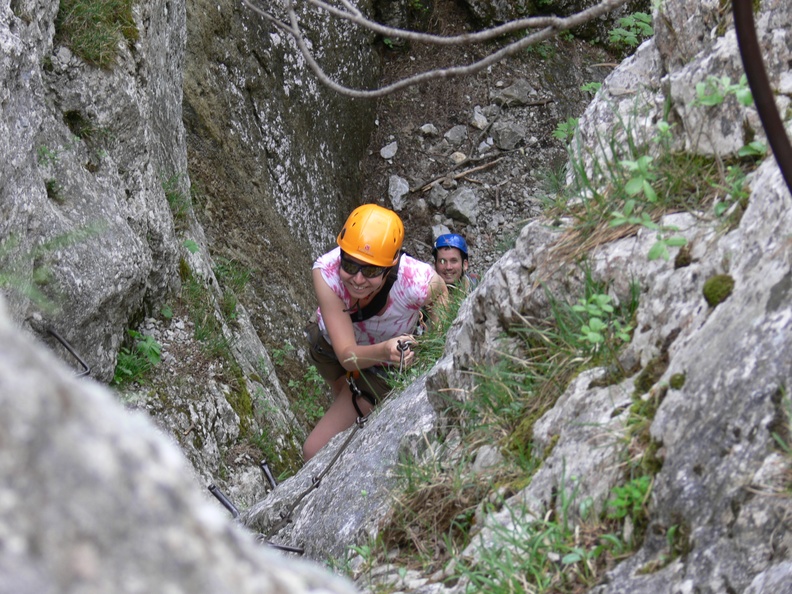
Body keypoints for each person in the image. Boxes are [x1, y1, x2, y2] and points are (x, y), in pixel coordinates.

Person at [303, 204, 448, 460]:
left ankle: (352, 414)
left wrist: (429, 348)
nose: (358, 279)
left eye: (370, 271)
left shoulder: (415, 282)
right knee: (342, 395)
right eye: (350, 265)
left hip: (383, 367)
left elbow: (442, 298)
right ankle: (347, 408)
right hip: (334, 348)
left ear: (390, 267)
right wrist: (385, 350)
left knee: (313, 450)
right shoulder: (326, 271)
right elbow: (347, 356)